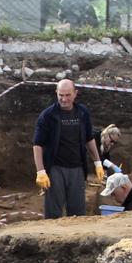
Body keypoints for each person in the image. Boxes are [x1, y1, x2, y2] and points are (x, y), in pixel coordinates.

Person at [33, 79, 105, 219]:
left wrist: (97, 163)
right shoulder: (48, 116)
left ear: (75, 94)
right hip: (55, 169)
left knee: (78, 212)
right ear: (56, 93)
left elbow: (89, 139)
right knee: (54, 213)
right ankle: (52, 238)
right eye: (61, 95)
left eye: (67, 95)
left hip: (77, 168)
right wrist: (40, 171)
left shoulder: (82, 113)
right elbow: (37, 144)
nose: (64, 99)